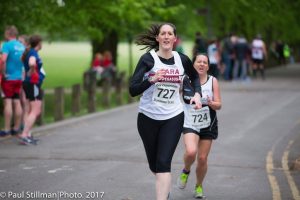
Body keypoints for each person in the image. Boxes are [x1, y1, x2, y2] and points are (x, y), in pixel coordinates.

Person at [129, 22, 202, 200]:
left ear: (175, 38)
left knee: (163, 163)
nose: (167, 36)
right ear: (158, 38)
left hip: (173, 117)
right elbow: (133, 90)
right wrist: (152, 80)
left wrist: (198, 94)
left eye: (170, 33)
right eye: (163, 33)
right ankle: (164, 187)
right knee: (155, 166)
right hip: (147, 118)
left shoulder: (181, 59)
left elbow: (194, 76)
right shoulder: (148, 59)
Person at [177, 54, 222, 199]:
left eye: (205, 62)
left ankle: (198, 185)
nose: (202, 64)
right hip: (189, 122)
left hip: (208, 123)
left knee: (202, 158)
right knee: (191, 152)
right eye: (199, 62)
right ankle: (186, 170)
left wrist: (211, 103)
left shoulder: (212, 81)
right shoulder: (184, 79)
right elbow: (174, 96)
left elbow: (219, 105)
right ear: (193, 64)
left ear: (208, 66)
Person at [18, 35, 46, 145]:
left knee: (30, 110)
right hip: (33, 84)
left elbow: (24, 61)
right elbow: (31, 62)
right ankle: (25, 135)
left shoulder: (30, 52)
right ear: (38, 43)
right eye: (41, 42)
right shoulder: (33, 53)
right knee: (35, 111)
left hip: (29, 83)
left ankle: (27, 135)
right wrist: (32, 71)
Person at [0, 26, 25, 137]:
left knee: (8, 102)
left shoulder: (6, 45)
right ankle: (16, 128)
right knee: (17, 101)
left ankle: (6, 130)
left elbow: (3, 60)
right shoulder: (21, 46)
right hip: (18, 78)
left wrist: (3, 73)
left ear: (8, 33)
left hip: (9, 78)